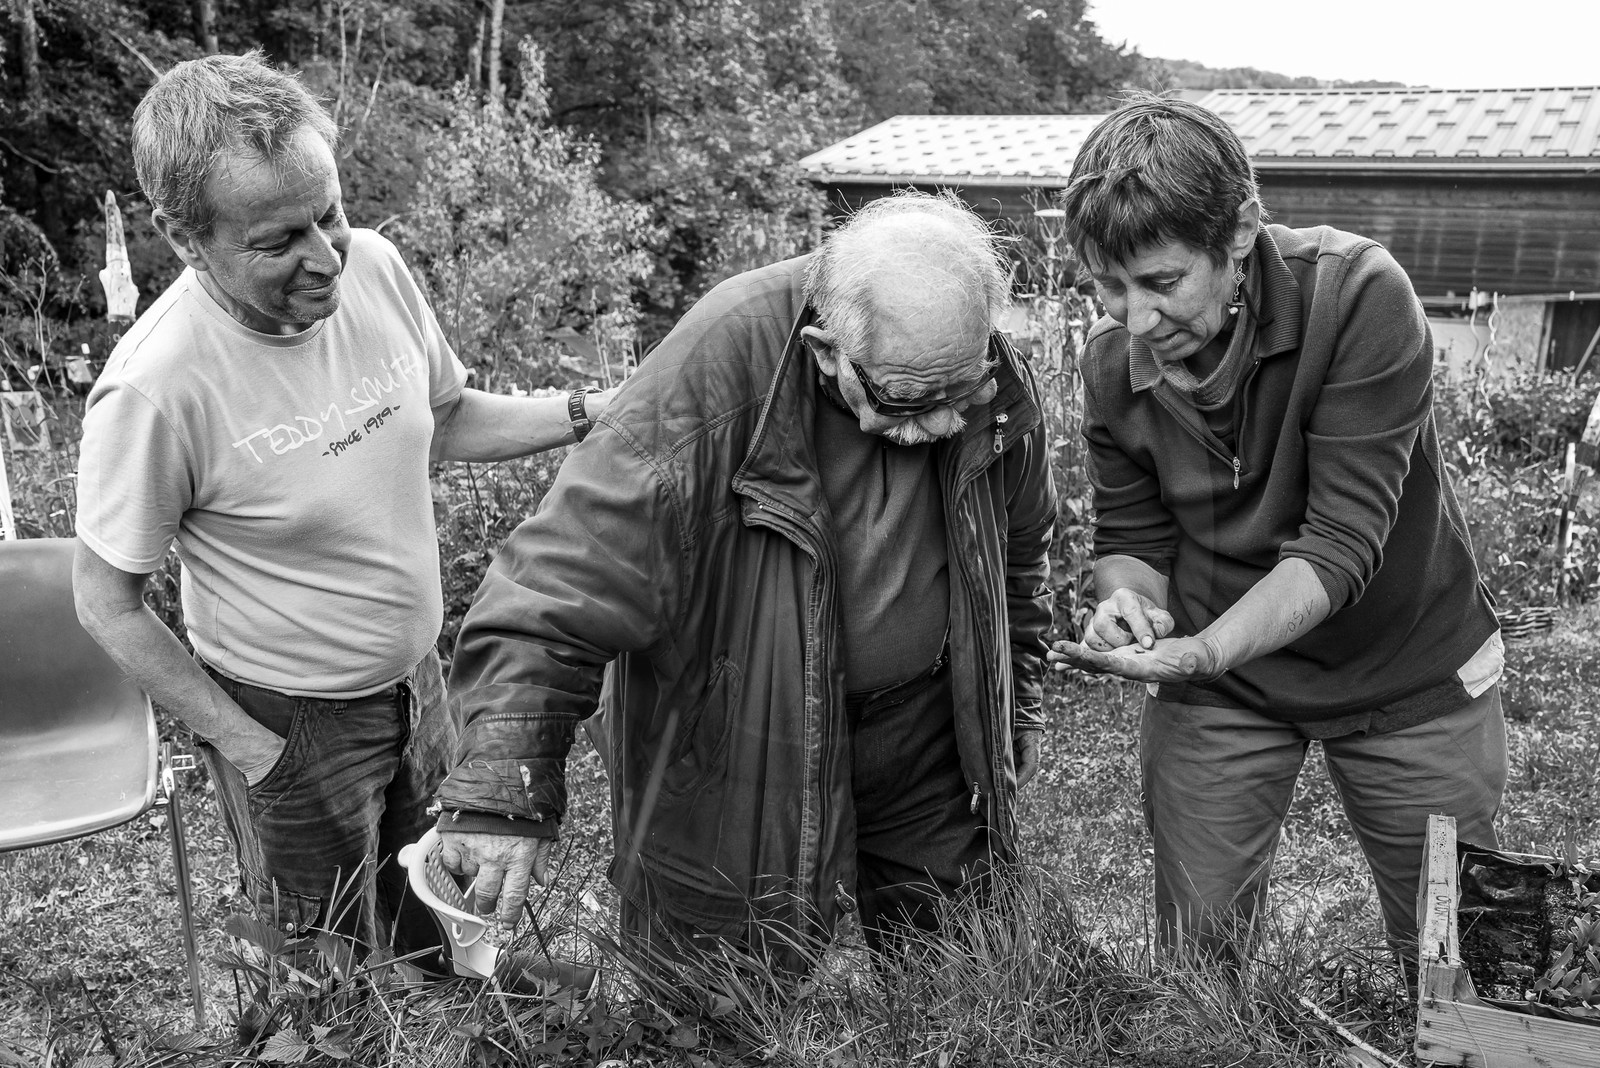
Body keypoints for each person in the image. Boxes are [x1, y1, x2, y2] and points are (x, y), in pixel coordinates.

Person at [72, 51, 610, 967]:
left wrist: (589, 413)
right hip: (289, 719)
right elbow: (105, 601)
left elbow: (443, 419)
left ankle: (443, 1003)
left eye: (330, 215)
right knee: (320, 962)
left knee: (425, 893)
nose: (326, 259)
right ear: (183, 234)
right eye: (279, 241)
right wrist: (248, 747)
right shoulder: (156, 387)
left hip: (416, 681)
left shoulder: (378, 270)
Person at [430, 190, 1057, 970]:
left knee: (972, 975)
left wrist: (1013, 695)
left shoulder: (973, 361)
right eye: (905, 400)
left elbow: (1018, 547)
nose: (937, 426)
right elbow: (558, 585)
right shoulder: (713, 368)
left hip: (923, 734)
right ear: (826, 350)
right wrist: (501, 790)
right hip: (738, 736)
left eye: (960, 396)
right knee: (719, 999)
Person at [1047, 93, 1507, 964]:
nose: (1133, 320)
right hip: (1225, 682)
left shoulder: (1360, 296)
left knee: (1453, 954)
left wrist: (1205, 647)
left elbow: (1340, 544)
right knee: (1200, 960)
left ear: (1242, 232)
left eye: (1161, 282)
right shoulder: (1113, 363)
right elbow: (1134, 536)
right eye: (1107, 285)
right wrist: (1126, 603)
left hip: (1404, 660)